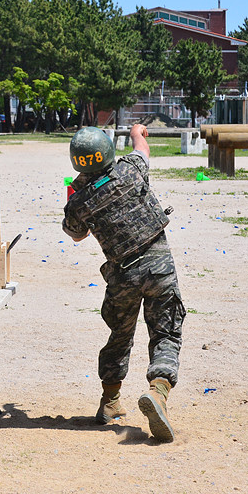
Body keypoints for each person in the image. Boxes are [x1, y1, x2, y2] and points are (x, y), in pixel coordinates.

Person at [62, 125, 185, 443]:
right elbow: (142, 148)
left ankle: (110, 402)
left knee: (119, 336)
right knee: (166, 332)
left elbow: (76, 234)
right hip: (159, 269)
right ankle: (158, 391)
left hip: (122, 276)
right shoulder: (130, 170)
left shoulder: (79, 200)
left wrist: (77, 193)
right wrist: (136, 131)